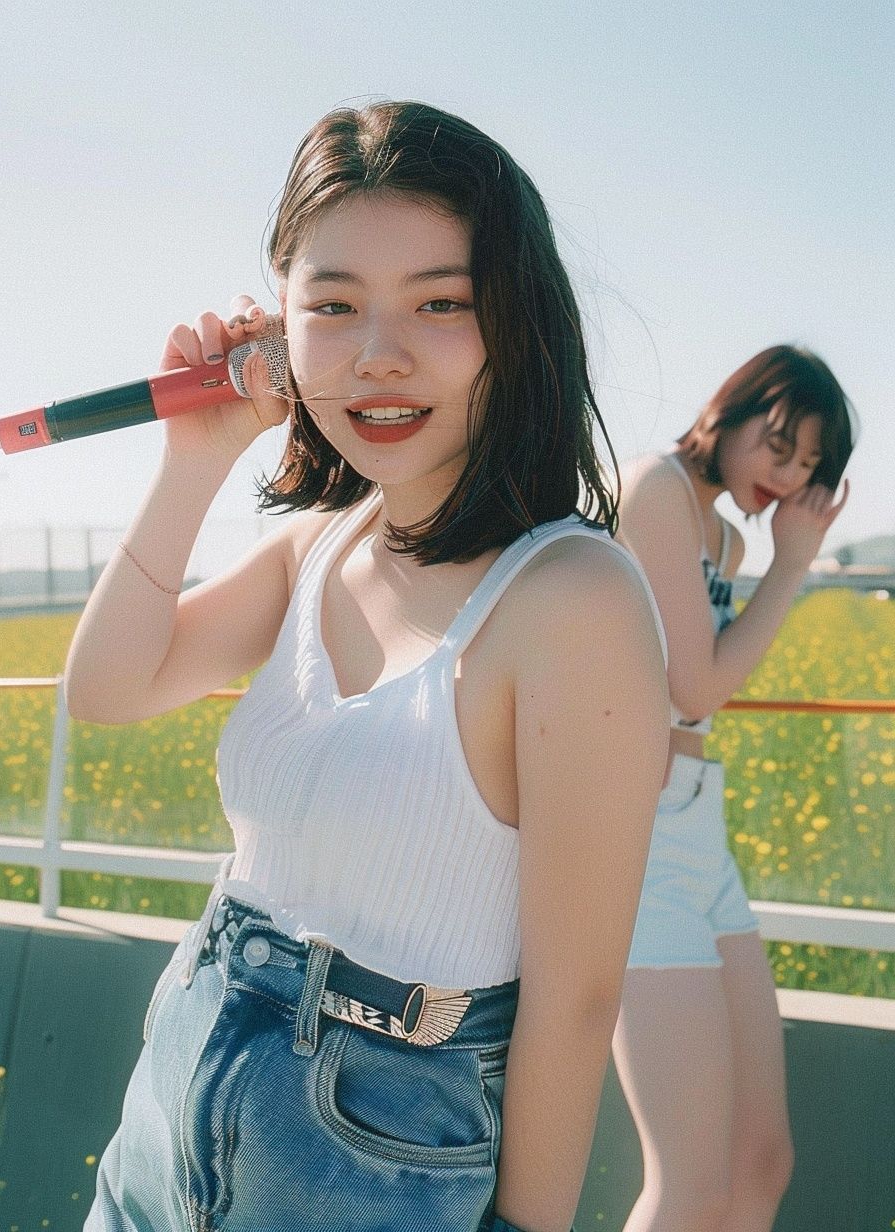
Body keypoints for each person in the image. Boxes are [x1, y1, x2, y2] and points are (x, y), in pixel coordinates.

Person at [66, 101, 669, 1232]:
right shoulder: (317, 542)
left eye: (440, 302)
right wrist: (193, 457)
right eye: (332, 306)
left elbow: (576, 997)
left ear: (515, 322)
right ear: (281, 329)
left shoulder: (569, 598)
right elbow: (107, 689)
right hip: (184, 1065)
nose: (378, 353)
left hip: (378, 1135)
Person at [612, 345, 854, 1232]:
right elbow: (697, 686)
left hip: (696, 832)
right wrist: (795, 564)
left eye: (807, 467)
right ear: (732, 409)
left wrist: (775, 558)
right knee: (688, 1186)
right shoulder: (654, 489)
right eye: (779, 446)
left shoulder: (725, 536)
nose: (785, 476)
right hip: (636, 836)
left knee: (762, 1161)